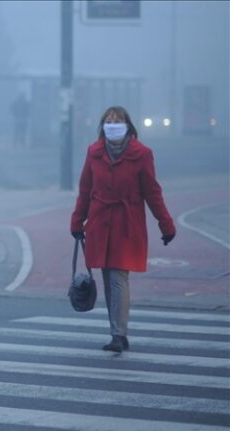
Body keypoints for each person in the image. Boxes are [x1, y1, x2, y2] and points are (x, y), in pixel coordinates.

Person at [70, 106, 176, 353]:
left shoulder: (142, 154)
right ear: (102, 125)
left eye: (117, 120)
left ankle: (119, 334)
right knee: (108, 279)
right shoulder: (94, 152)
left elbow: (152, 192)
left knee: (118, 278)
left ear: (128, 125)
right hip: (99, 221)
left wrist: (166, 223)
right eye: (108, 120)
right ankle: (116, 330)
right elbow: (85, 190)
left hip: (126, 224)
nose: (112, 124)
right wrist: (77, 221)